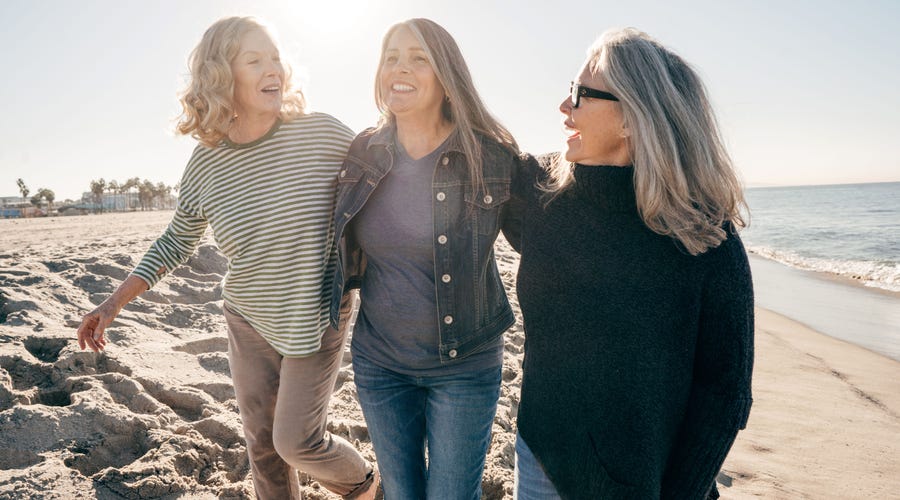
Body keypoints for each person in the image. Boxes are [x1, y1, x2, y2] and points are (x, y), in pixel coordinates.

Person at [74, 16, 379, 500]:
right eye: (255, 60)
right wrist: (112, 304)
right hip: (248, 319)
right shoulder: (205, 162)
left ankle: (366, 487)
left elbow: (386, 177)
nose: (272, 69)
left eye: (276, 57)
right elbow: (176, 241)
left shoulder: (323, 135)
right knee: (263, 449)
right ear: (222, 76)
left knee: (297, 441)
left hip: (316, 314)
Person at [511, 28, 754, 500]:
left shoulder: (704, 237)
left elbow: (725, 394)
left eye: (581, 94)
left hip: (644, 482)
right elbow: (460, 142)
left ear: (632, 118)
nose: (564, 106)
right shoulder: (538, 191)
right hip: (540, 454)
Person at [329, 18, 523, 500]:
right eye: (391, 56)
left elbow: (548, 243)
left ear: (446, 76)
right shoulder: (364, 152)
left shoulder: (489, 157)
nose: (400, 67)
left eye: (418, 58)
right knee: (400, 493)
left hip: (466, 365)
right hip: (380, 363)